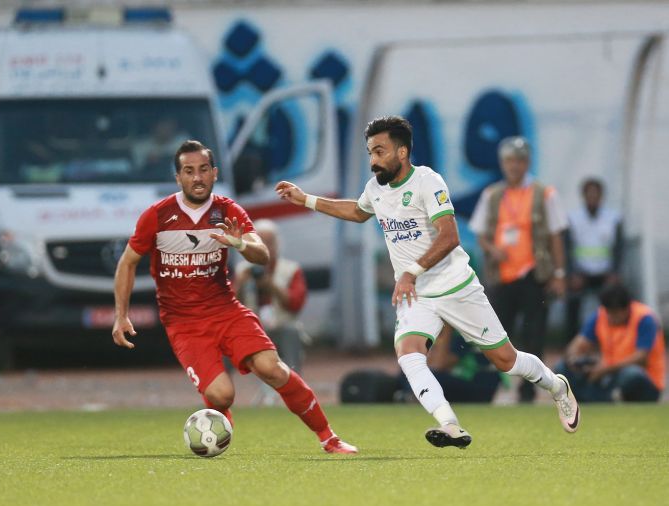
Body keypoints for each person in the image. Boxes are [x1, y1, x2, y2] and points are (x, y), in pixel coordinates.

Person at [275, 116, 579, 449]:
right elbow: (358, 212)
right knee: (409, 355)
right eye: (370, 152)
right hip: (416, 295)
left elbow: (450, 236)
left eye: (380, 151)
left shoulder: (427, 181)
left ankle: (556, 386)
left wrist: (410, 271)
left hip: (455, 286)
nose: (373, 160)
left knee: (506, 360)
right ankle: (449, 424)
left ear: (402, 152)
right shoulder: (375, 189)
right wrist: (306, 199)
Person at [112, 140, 356, 454]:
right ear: (178, 177)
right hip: (184, 322)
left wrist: (239, 244)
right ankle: (220, 423)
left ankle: (328, 437)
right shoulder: (158, 216)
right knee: (222, 395)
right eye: (189, 171)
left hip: (226, 309)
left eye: (203, 169)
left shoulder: (228, 211)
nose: (197, 177)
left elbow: (262, 254)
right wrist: (121, 315)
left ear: (214, 173)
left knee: (272, 368)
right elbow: (127, 263)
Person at [468, 136, 568, 402]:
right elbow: (480, 234)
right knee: (495, 335)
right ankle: (489, 388)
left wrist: (559, 274)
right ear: (502, 163)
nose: (514, 166)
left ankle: (527, 391)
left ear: (528, 162)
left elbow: (556, 235)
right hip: (501, 276)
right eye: (509, 161)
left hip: (534, 275)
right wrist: (492, 249)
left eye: (519, 161)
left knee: (534, 334)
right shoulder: (492, 195)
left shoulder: (544, 193)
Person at [233, 219, 308, 405]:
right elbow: (229, 305)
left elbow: (296, 304)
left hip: (281, 326)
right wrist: (241, 284)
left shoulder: (291, 269)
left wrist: (272, 286)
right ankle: (221, 391)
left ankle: (295, 390)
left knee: (292, 332)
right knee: (224, 339)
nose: (266, 246)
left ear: (278, 244)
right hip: (252, 329)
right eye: (261, 241)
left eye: (270, 242)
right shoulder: (243, 270)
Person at [556, 282, 665, 402]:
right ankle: (592, 400)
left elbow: (641, 358)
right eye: (608, 312)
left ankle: (603, 398)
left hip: (645, 380)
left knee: (631, 374)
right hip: (608, 375)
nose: (610, 317)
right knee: (561, 368)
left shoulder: (644, 318)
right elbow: (577, 344)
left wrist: (605, 370)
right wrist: (575, 361)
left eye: (615, 313)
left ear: (627, 308)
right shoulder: (601, 315)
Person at [565, 178, 623, 340]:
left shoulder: (613, 218)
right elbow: (567, 249)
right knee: (572, 301)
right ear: (583, 196)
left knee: (614, 302)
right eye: (589, 194)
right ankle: (572, 341)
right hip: (581, 273)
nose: (592, 197)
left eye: (596, 194)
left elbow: (619, 248)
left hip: (605, 273)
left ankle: (610, 340)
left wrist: (614, 273)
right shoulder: (573, 219)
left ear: (601, 196)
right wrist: (572, 274)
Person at [397, 325, 505, 403]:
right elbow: (426, 362)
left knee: (434, 377)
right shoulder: (438, 333)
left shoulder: (464, 333)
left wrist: (447, 328)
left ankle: (411, 396)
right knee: (407, 370)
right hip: (457, 379)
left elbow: (439, 365)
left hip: (480, 384)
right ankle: (410, 395)